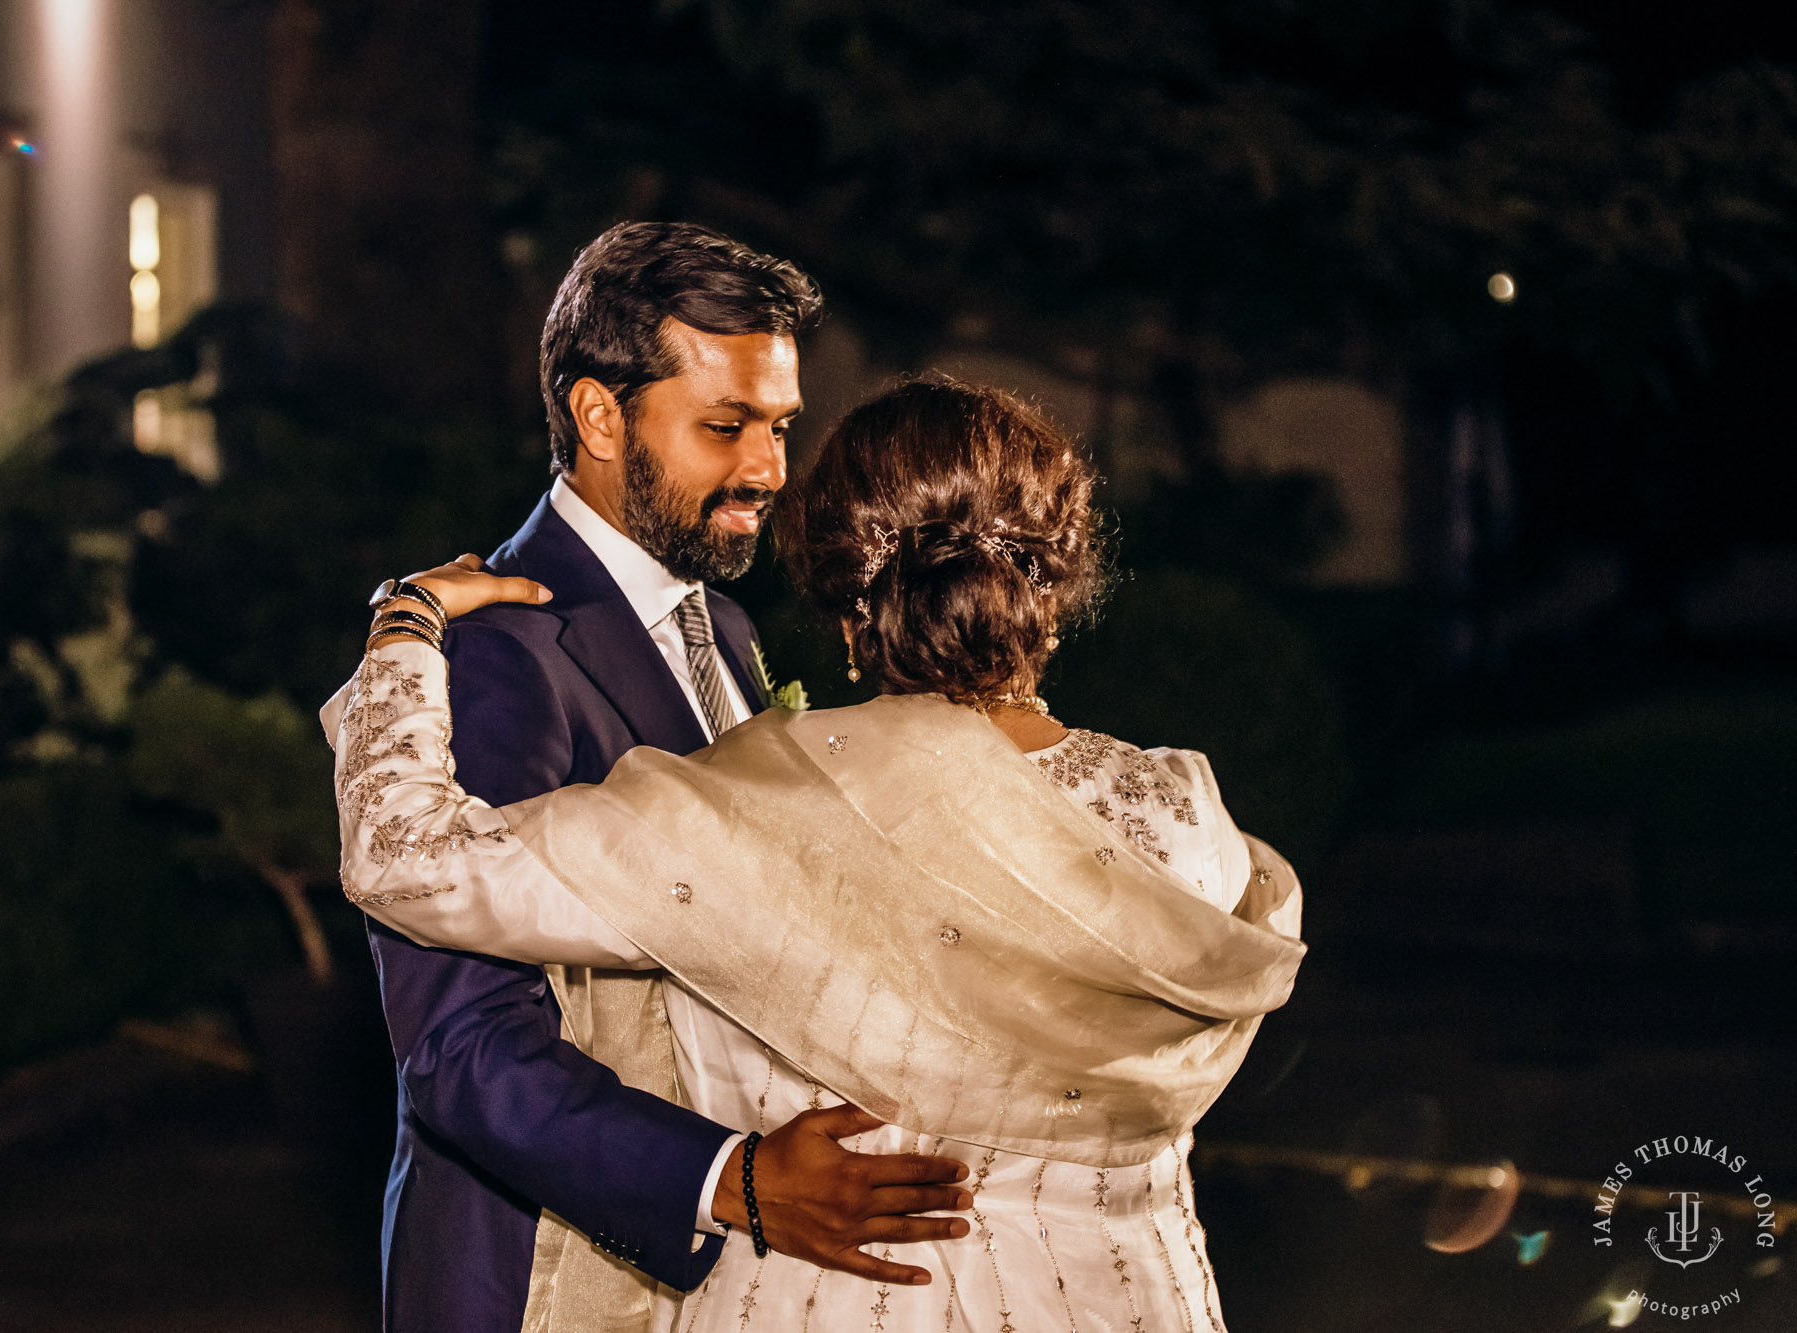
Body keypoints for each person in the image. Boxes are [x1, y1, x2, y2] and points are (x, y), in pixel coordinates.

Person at [331, 376, 1306, 1331]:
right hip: (1132, 1295)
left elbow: (405, 860)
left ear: (847, 602)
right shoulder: (1183, 815)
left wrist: (407, 629)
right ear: (1050, 585)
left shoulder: (758, 805)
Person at [359, 223, 975, 1333]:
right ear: (599, 415)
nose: (767, 471)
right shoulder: (505, 648)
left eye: (779, 427)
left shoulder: (723, 624)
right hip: (536, 1275)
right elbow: (461, 1046)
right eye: (725, 427)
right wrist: (725, 1178)